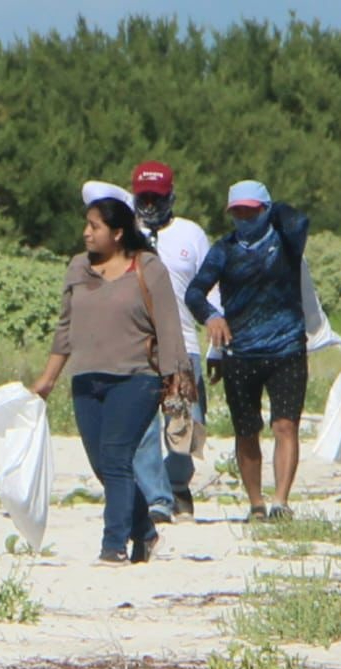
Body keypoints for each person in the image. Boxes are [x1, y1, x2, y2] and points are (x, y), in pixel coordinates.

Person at [32, 184, 192, 564]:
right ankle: (147, 532)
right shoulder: (77, 267)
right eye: (86, 226)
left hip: (135, 378)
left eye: (94, 226)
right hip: (86, 379)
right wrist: (48, 378)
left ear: (117, 232)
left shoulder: (147, 267)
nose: (86, 233)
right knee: (104, 466)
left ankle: (113, 544)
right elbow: (65, 328)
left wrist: (176, 379)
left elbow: (168, 325)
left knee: (118, 457)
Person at [185, 180, 308, 522]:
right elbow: (194, 292)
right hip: (241, 352)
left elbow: (299, 220)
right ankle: (256, 503)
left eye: (251, 210)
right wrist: (211, 317)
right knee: (246, 430)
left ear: (266, 210)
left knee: (285, 424)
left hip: (287, 346)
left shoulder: (287, 242)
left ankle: (281, 502)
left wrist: (273, 206)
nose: (243, 217)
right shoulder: (223, 250)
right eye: (237, 211)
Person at [128, 161, 215, 524]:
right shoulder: (123, 232)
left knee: (186, 423)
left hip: (183, 345)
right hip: (137, 346)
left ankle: (177, 483)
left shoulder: (191, 234)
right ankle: (156, 499)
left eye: (156, 197)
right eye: (143, 197)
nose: (149, 205)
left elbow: (213, 286)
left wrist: (217, 336)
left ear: (171, 196)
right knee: (144, 426)